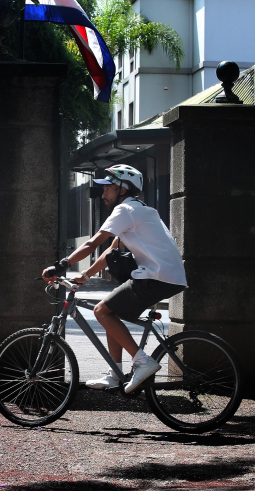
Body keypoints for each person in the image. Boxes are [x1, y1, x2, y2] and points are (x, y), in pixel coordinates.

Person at [42, 164, 187, 393]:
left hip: (156, 276)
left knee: (101, 310)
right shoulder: (140, 209)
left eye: (108, 188)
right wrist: (85, 276)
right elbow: (111, 250)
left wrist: (62, 265)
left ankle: (142, 361)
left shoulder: (125, 210)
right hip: (168, 277)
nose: (103, 193)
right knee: (109, 314)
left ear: (122, 189)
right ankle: (115, 374)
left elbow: (93, 243)